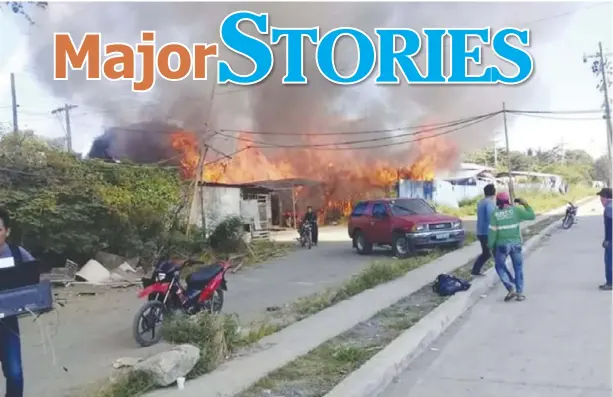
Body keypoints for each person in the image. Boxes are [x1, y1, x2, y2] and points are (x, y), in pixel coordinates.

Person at [0, 208, 35, 397]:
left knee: (14, 374)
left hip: (8, 325)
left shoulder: (17, 254)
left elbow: (33, 279)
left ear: (7, 231)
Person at [488, 192, 536, 302]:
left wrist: (490, 246)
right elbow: (531, 216)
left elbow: (492, 233)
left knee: (499, 266)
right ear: (508, 200)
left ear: (498, 202)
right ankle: (519, 293)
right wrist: (525, 204)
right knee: (518, 268)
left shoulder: (495, 214)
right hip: (516, 244)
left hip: (502, 245)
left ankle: (510, 288)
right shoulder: (515, 211)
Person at [471, 183, 497, 276]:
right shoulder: (489, 203)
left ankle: (475, 271)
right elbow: (491, 217)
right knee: (495, 252)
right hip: (488, 233)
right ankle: (501, 270)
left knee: (486, 253)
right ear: (494, 192)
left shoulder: (481, 202)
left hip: (480, 232)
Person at [597, 188, 612, 290]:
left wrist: (608, 240)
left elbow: (610, 226)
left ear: (606, 198)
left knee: (609, 261)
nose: (600, 200)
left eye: (601, 197)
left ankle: (610, 283)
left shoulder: (609, 208)